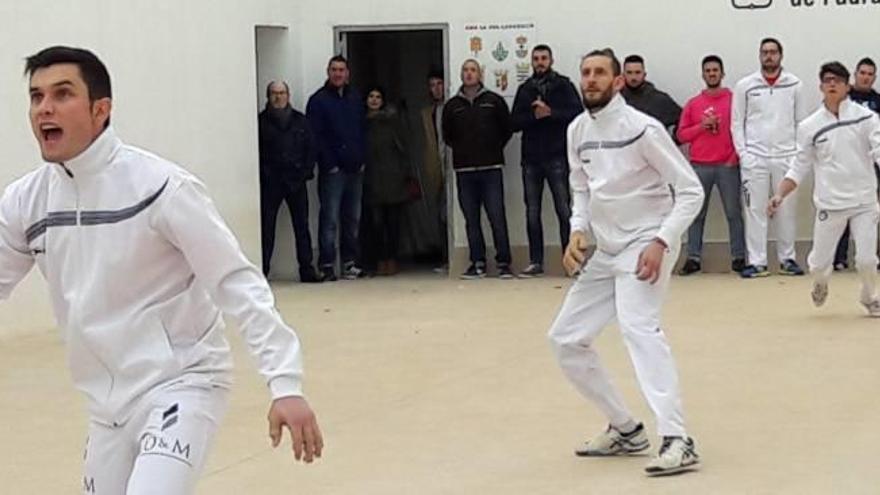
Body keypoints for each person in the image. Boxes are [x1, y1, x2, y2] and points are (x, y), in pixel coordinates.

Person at [2, 46, 322, 494]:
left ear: (101, 109)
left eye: (62, 94)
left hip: (183, 384)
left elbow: (236, 282)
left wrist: (285, 382)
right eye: (36, 97)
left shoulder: (161, 188)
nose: (44, 108)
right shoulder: (24, 202)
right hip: (106, 408)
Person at [548, 48, 703, 476]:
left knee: (639, 328)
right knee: (565, 340)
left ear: (618, 82)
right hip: (606, 250)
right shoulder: (578, 129)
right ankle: (626, 429)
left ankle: (678, 439)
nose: (591, 79)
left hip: (646, 243)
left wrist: (661, 240)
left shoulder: (644, 129)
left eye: (600, 73)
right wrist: (577, 230)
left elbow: (690, 190)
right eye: (586, 73)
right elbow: (581, 188)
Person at [768, 61, 880, 316]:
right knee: (819, 264)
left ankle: (870, 297)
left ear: (847, 85)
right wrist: (779, 194)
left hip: (864, 201)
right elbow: (799, 167)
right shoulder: (809, 127)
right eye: (827, 80)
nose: (832, 84)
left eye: (837, 80)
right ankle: (821, 282)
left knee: (866, 260)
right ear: (820, 86)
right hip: (830, 204)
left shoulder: (867, 118)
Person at [732, 37, 809, 278]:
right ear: (759, 55)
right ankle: (757, 262)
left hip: (786, 158)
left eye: (773, 52)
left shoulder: (794, 84)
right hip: (755, 158)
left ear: (780, 55)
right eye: (765, 52)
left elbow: (801, 123)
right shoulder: (746, 85)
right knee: (754, 210)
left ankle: (787, 259)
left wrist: (797, 155)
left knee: (786, 209)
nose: (769, 56)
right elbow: (737, 123)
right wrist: (744, 155)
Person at [511, 44, 583, 278]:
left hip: (557, 157)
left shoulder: (564, 85)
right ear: (531, 62)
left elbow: (577, 114)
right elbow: (514, 122)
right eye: (536, 59)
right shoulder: (525, 89)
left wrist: (551, 113)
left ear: (551, 60)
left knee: (564, 210)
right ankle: (535, 261)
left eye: (544, 58)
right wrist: (534, 115)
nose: (540, 62)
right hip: (531, 159)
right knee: (532, 212)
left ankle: (570, 260)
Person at [442, 59, 514, 279]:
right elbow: (448, 136)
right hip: (464, 171)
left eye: (473, 70)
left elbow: (507, 129)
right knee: (471, 219)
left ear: (480, 74)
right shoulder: (452, 106)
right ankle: (477, 263)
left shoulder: (494, 101)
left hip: (491, 168)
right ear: (461, 74)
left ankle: (503, 264)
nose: (469, 74)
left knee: (497, 216)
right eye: (465, 70)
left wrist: (492, 148)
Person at [676, 55, 746, 275]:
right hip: (699, 166)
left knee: (734, 213)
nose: (712, 74)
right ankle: (693, 258)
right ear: (703, 74)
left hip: (728, 165)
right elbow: (681, 135)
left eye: (716, 70)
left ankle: (739, 257)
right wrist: (701, 127)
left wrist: (735, 156)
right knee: (696, 213)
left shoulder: (735, 100)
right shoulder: (693, 104)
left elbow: (745, 129)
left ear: (722, 74)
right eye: (708, 71)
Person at [307, 55, 366, 281]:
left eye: (341, 70)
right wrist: (329, 164)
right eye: (334, 69)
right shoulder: (318, 101)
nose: (338, 74)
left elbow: (362, 130)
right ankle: (328, 264)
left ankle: (350, 262)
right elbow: (316, 137)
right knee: (330, 218)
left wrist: (362, 159)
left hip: (355, 169)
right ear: (328, 72)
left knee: (353, 218)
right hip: (333, 171)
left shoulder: (355, 98)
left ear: (347, 73)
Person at [258, 81, 320, 282]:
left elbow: (311, 148)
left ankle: (307, 269)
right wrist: (266, 174)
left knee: (302, 227)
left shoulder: (300, 121)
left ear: (288, 95)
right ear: (268, 96)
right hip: (271, 183)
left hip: (296, 181)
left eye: (282, 92)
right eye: (274, 93)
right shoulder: (260, 122)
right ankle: (263, 270)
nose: (278, 97)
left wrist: (304, 173)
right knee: (267, 228)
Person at [834, 57, 880, 270]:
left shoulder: (878, 102)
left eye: (870, 74)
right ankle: (839, 258)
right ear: (855, 74)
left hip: (873, 163)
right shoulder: (842, 99)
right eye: (862, 73)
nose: (866, 77)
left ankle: (873, 259)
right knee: (843, 209)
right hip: (845, 163)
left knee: (872, 211)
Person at [363, 86, 411, 276]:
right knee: (375, 225)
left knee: (393, 225)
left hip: (393, 179)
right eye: (371, 96)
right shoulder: (361, 122)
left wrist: (404, 174)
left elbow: (404, 149)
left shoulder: (392, 121)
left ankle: (392, 259)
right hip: (371, 179)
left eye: (378, 97)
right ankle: (378, 259)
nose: (374, 100)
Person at [420, 70, 450, 273]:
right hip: (435, 166)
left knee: (448, 214)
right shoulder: (427, 112)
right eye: (432, 85)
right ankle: (444, 256)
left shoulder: (452, 108)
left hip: (452, 165)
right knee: (440, 214)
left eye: (440, 84)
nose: (436, 89)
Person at [621, 54, 682, 138]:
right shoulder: (615, 99)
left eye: (637, 72)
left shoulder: (660, 100)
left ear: (644, 74)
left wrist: (672, 139)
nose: (633, 77)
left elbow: (683, 120)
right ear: (623, 75)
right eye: (629, 73)